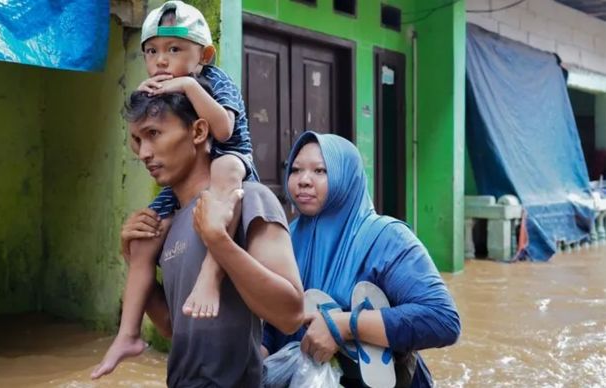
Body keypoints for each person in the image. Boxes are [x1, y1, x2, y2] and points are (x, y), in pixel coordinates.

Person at [92, 0, 260, 379]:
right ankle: (128, 333)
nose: (161, 61)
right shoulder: (154, 89)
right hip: (188, 369)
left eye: (173, 50)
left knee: (226, 171)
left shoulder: (214, 81)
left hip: (230, 158)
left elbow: (224, 132)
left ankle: (210, 276)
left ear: (205, 55)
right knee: (143, 236)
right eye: (151, 51)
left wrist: (187, 85)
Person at [95, 86, 304, 385]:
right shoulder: (167, 224)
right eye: (137, 140)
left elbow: (290, 314)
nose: (144, 153)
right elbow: (173, 325)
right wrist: (132, 257)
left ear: (198, 131)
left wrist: (219, 242)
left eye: (154, 134)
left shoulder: (249, 199)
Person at [262, 131, 461, 387]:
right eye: (296, 170)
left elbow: (442, 319)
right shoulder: (285, 238)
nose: (304, 180)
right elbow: (275, 318)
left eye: (320, 171)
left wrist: (344, 326)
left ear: (347, 176)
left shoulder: (387, 238)